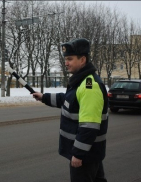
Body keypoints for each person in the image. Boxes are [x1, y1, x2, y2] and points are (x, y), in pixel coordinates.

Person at [32, 38, 108, 182]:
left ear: (82, 59)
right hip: (90, 153)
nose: (66, 63)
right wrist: (44, 97)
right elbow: (68, 100)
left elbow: (89, 126)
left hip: (85, 155)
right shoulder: (82, 80)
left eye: (70, 59)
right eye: (66, 59)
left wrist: (79, 154)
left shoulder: (88, 86)